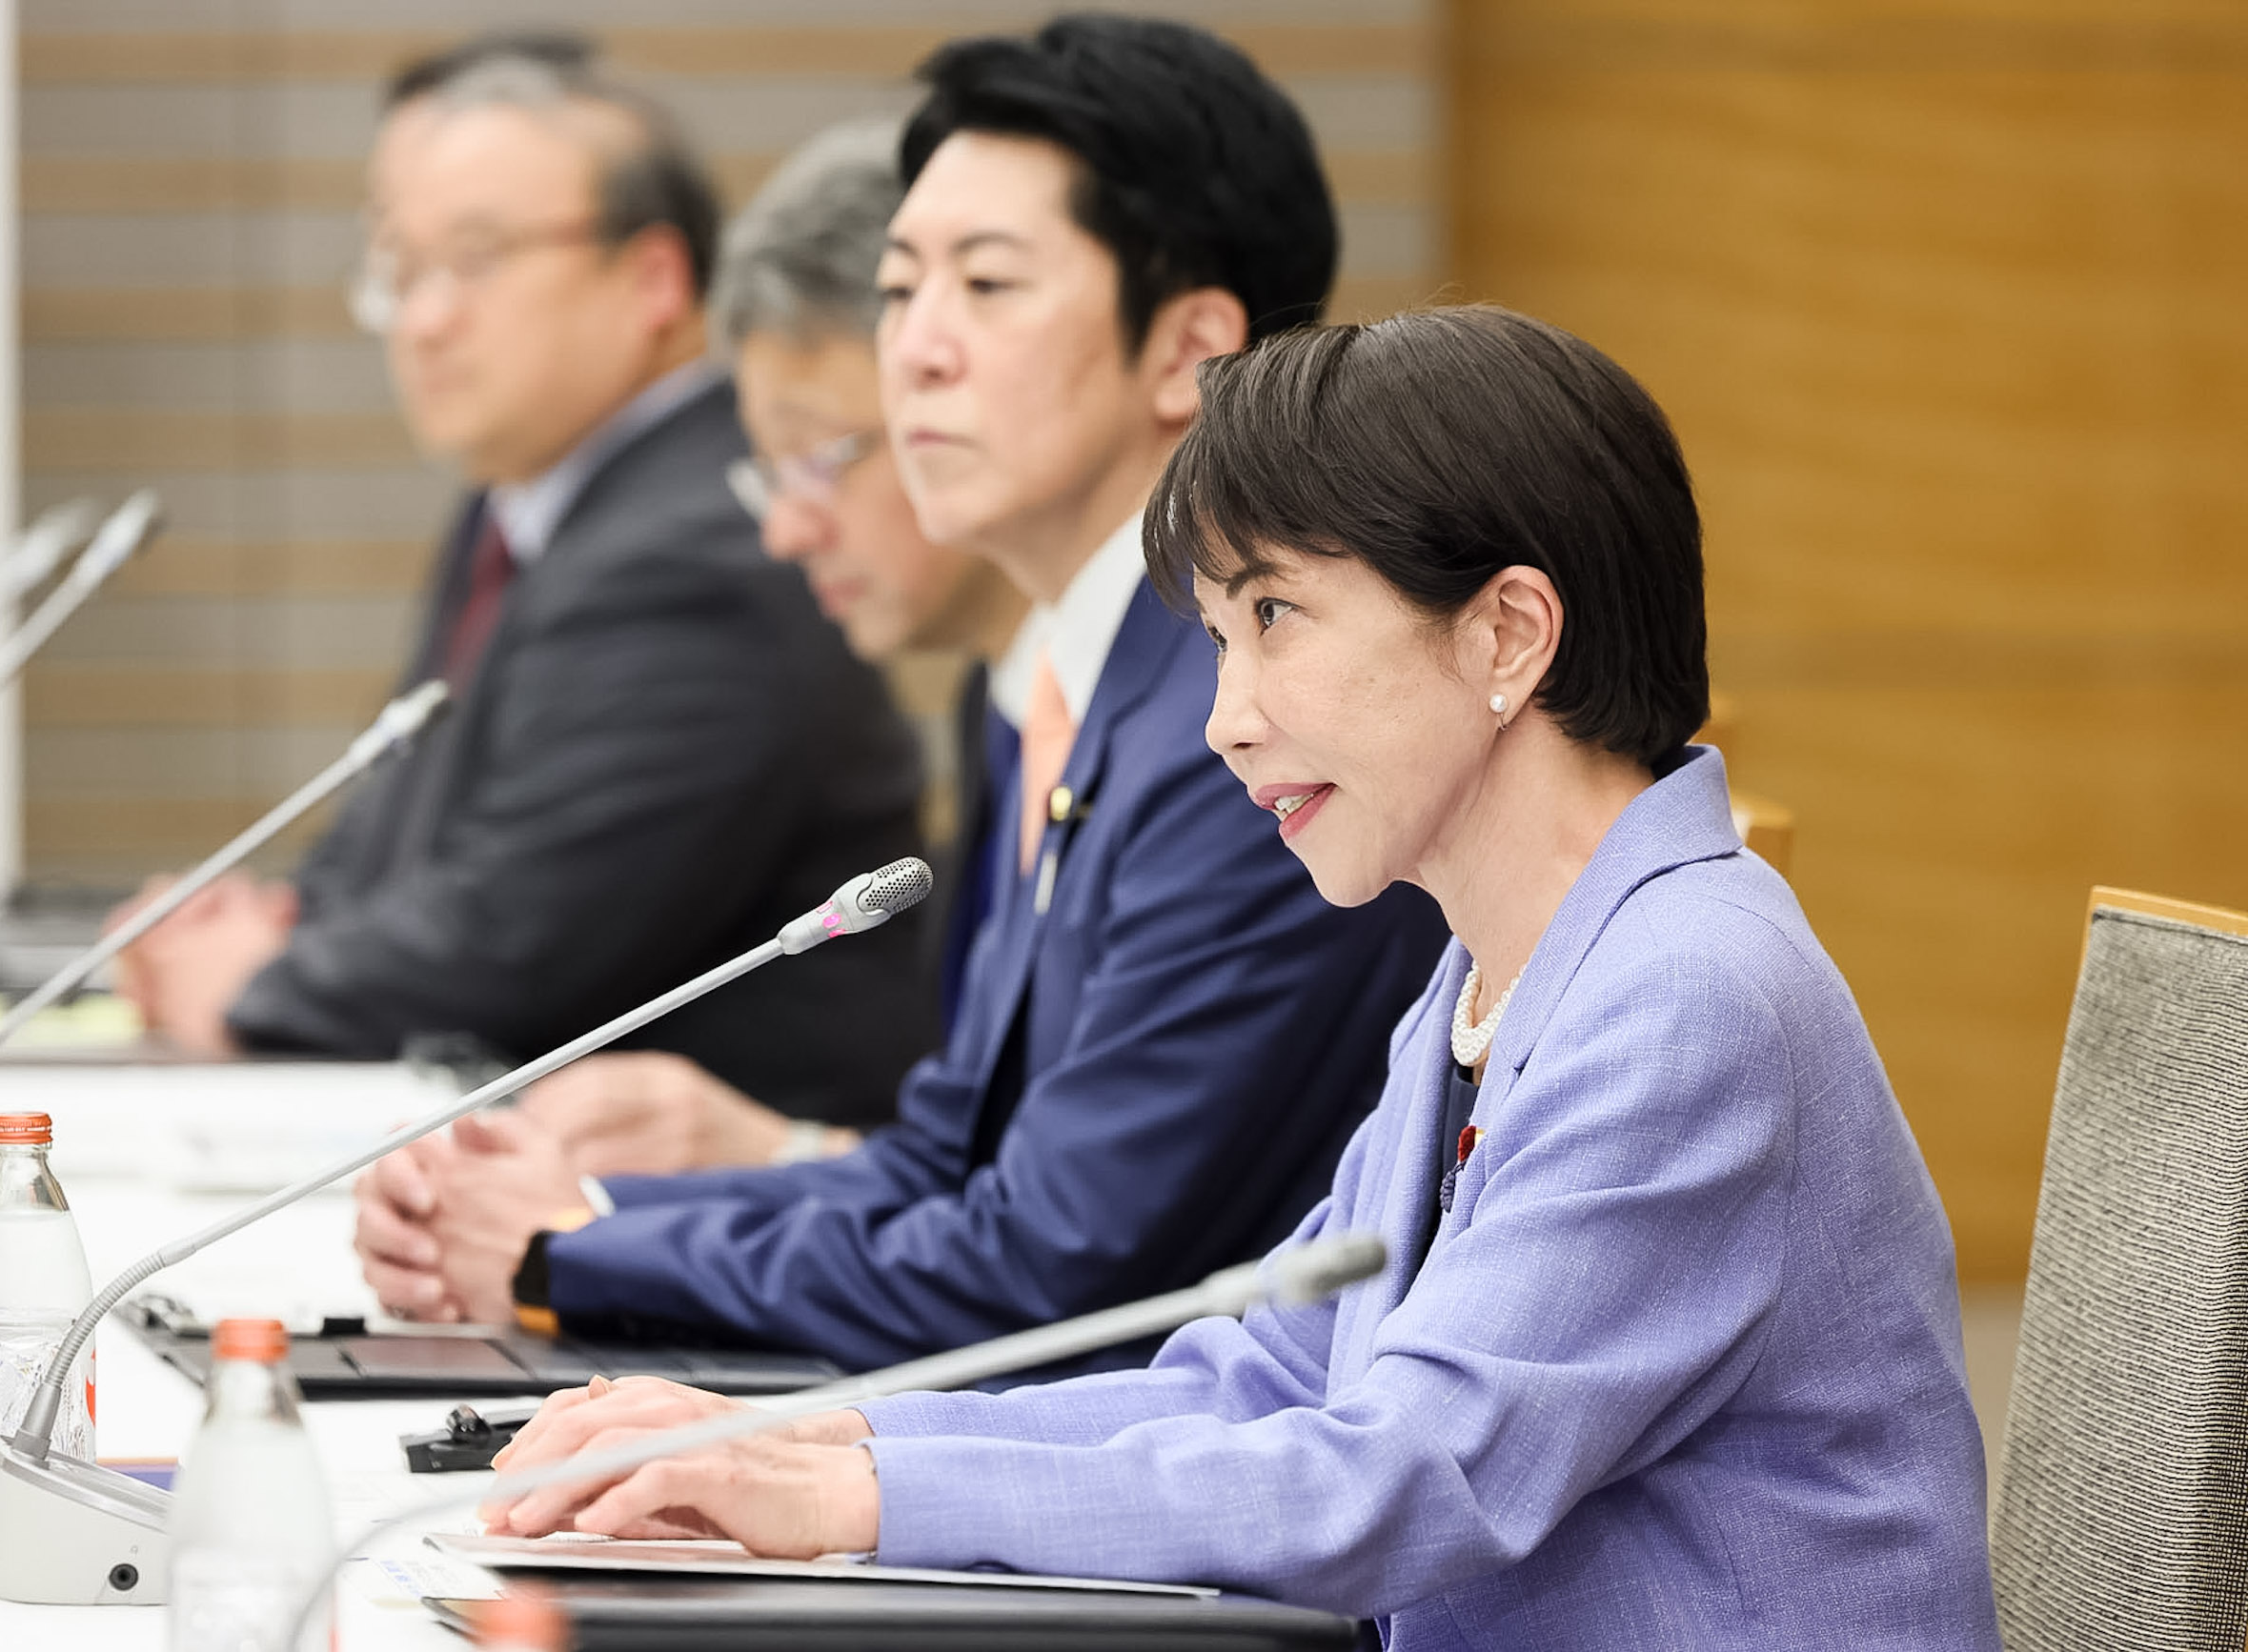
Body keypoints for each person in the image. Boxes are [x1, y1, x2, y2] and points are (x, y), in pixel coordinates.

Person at [473, 307, 2006, 1649]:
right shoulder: (1491, 970)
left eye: (1272, 617)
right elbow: (1265, 1374)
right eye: (1215, 639)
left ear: (1508, 634)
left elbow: (1398, 1479)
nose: (1224, 720)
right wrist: (822, 1437)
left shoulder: (1688, 997)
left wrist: (851, 1486)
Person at [350, 15, 1450, 1376]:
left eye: (986, 287)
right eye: (899, 288)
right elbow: (949, 1155)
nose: (915, 350)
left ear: (1190, 356)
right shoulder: (1064, 684)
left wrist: (576, 1248)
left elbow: (1051, 1264)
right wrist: (576, 1213)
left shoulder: (1246, 728)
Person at [109, 36, 934, 1137]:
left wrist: (258, 986)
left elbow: (517, 942)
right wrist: (276, 921)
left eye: (474, 257)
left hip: (724, 1218)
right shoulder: (528, 500)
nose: (424, 317)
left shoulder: (704, 545)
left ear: (651, 278)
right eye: (397, 268)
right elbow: (405, 823)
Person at [511, 118, 1028, 1178]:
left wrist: (609, 1230)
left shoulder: (1205, 725)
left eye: (815, 459)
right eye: (768, 471)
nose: (786, 530)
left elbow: (1084, 1246)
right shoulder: (1001, 691)